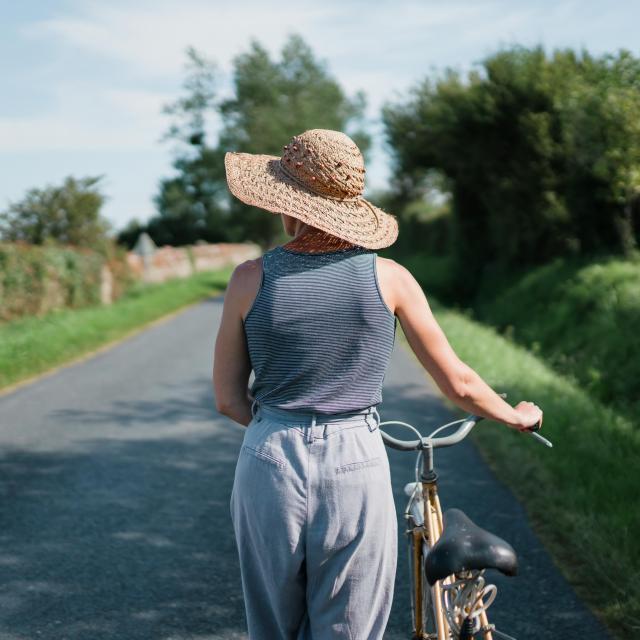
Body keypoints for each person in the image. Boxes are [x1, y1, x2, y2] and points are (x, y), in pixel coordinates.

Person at [213, 129, 543, 639]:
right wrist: (514, 413)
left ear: (288, 205)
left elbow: (229, 399)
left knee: (273, 629)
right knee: (350, 626)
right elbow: (458, 383)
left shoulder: (248, 279)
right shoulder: (390, 278)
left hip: (269, 459)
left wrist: (281, 423)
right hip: (354, 459)